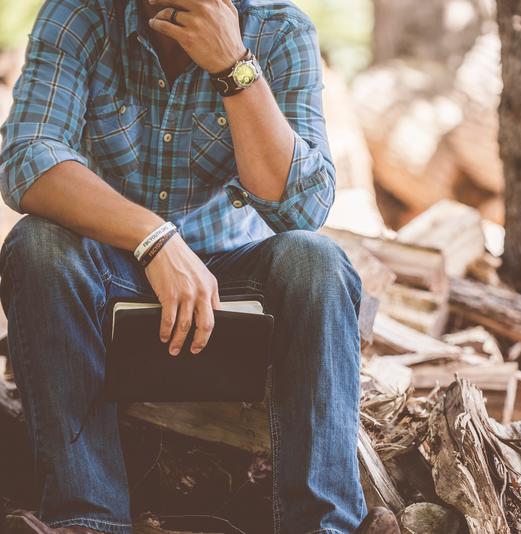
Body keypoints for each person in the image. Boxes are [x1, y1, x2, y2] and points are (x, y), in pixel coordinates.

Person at [0, 0, 399, 533]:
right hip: (109, 277)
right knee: (37, 244)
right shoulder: (79, 15)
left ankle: (324, 525)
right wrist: (154, 238)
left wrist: (234, 67)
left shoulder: (281, 29)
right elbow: (27, 158)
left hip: (235, 288)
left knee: (317, 261)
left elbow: (303, 208)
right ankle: (88, 519)